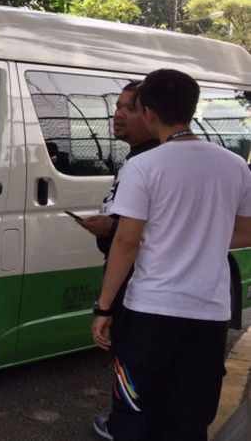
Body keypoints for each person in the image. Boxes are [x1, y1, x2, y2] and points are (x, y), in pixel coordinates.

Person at [90, 69, 251, 441]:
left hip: (150, 312)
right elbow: (246, 229)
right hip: (209, 314)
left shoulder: (144, 166)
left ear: (148, 112)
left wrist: (104, 307)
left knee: (133, 411)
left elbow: (126, 242)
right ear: (191, 108)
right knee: (190, 416)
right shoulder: (233, 165)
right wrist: (201, 237)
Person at [78, 82, 159, 338]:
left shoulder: (150, 161)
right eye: (118, 106)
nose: (118, 114)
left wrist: (104, 307)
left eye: (130, 108)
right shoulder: (136, 156)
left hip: (138, 281)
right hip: (131, 278)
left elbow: (133, 236)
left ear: (151, 115)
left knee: (132, 364)